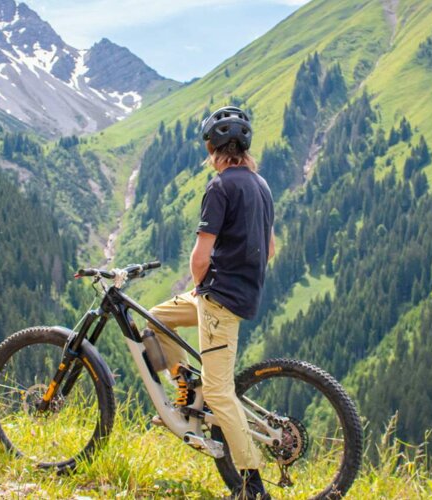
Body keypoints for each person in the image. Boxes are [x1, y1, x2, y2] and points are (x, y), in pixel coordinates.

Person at [144, 106, 275, 499]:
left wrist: (204, 291)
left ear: (212, 147)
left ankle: (253, 485)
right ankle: (183, 381)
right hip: (237, 292)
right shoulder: (261, 185)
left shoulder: (220, 187)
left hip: (218, 298)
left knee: (218, 392)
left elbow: (200, 258)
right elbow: (268, 249)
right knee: (156, 318)